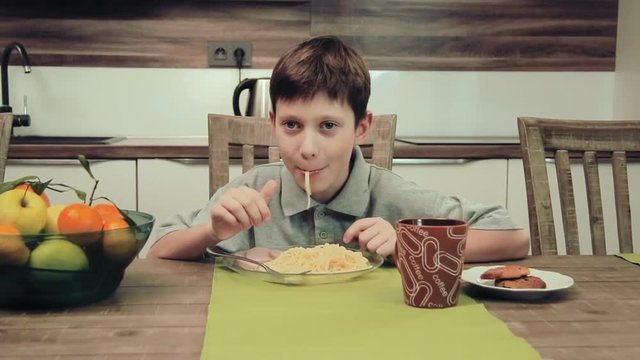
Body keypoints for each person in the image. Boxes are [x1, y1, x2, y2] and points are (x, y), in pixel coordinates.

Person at [147, 35, 529, 263]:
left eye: (328, 126)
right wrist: (213, 232)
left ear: (361, 127)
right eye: (292, 125)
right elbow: (159, 249)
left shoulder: (391, 196)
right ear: (273, 123)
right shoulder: (253, 190)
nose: (307, 149)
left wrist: (411, 244)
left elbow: (513, 238)